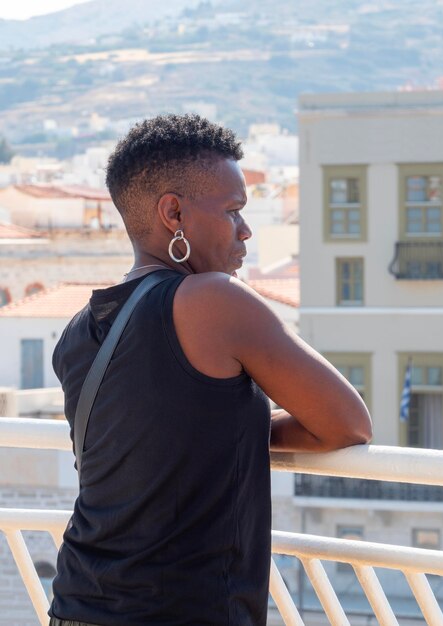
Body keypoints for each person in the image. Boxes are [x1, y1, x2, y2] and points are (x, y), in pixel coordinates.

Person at [49, 114, 372, 626]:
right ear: (173, 213)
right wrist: (239, 433)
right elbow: (347, 423)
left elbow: (154, 437)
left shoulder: (76, 332)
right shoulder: (213, 301)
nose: (245, 230)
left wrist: (222, 431)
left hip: (75, 604)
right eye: (233, 211)